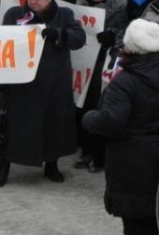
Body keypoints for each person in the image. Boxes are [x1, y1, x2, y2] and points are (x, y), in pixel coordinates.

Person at [0, 0, 86, 187]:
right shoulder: (15, 13)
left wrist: (59, 35)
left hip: (53, 81)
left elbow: (79, 39)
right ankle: (4, 165)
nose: (33, 2)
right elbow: (1, 44)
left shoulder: (64, 15)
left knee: (53, 124)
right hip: (21, 82)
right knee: (14, 126)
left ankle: (51, 164)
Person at [83, 19, 159, 235]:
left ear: (131, 48)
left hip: (133, 160)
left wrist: (89, 118)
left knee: (137, 222)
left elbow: (111, 121)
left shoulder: (125, 82)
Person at [74, 0, 129, 173]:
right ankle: (85, 149)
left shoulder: (120, 12)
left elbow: (124, 38)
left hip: (103, 66)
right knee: (82, 105)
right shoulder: (79, 8)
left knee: (98, 106)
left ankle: (98, 154)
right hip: (81, 65)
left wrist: (112, 37)